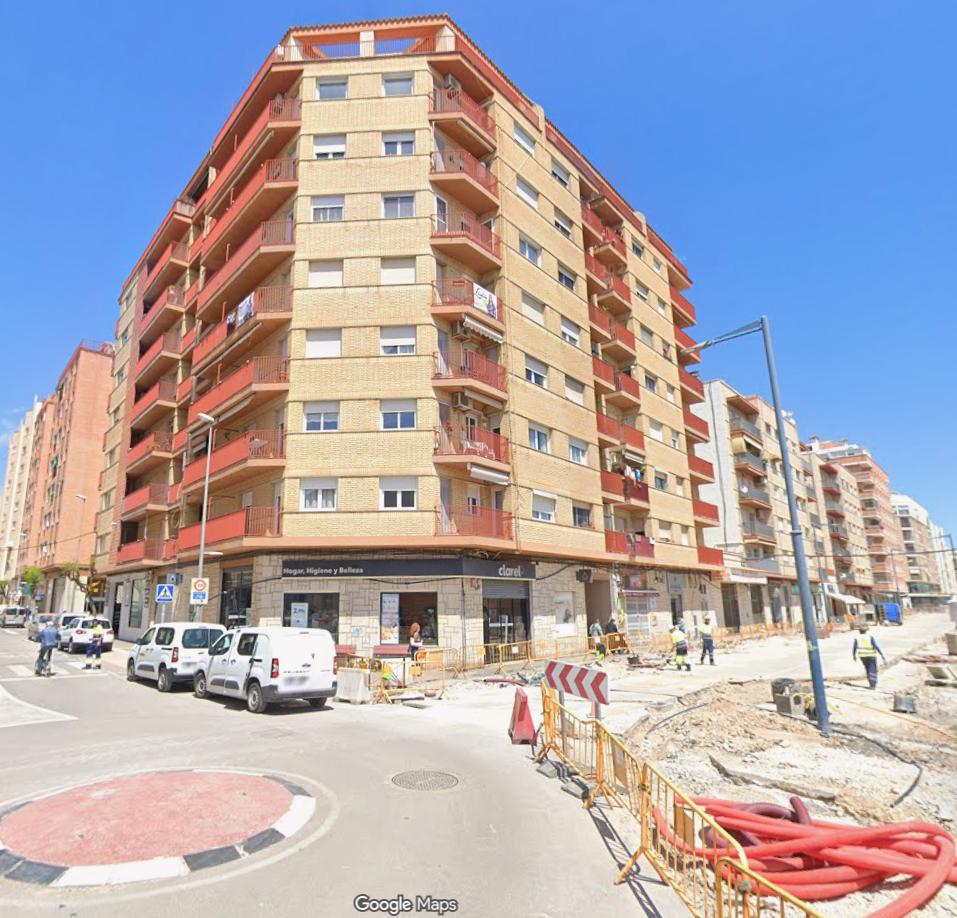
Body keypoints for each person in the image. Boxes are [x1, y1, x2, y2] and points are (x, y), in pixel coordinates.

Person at [852, 623, 887, 689]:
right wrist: (881, 654)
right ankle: (873, 685)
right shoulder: (869, 637)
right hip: (871, 655)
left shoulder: (857, 638)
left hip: (863, 656)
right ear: (866, 631)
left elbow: (854, 647)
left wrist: (854, 655)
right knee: (872, 669)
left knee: (867, 669)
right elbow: (876, 646)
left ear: (859, 631)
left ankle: (871, 683)